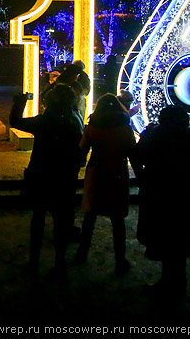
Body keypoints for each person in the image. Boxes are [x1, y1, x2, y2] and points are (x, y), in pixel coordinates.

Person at [130, 105, 190, 300]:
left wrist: (143, 177)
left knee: (164, 237)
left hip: (160, 191)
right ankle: (177, 282)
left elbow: (137, 155)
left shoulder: (156, 136)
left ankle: (169, 283)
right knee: (180, 238)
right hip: (185, 193)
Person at [11, 84, 84, 278]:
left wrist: (20, 102)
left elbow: (15, 121)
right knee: (61, 222)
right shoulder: (75, 119)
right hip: (65, 178)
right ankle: (60, 264)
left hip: (42, 176)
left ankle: (34, 261)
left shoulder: (46, 121)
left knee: (38, 218)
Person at [76, 93, 136, 276]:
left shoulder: (93, 127)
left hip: (97, 172)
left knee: (90, 215)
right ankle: (120, 260)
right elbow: (133, 152)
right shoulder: (125, 128)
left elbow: (82, 151)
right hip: (117, 173)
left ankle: (82, 253)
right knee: (118, 220)